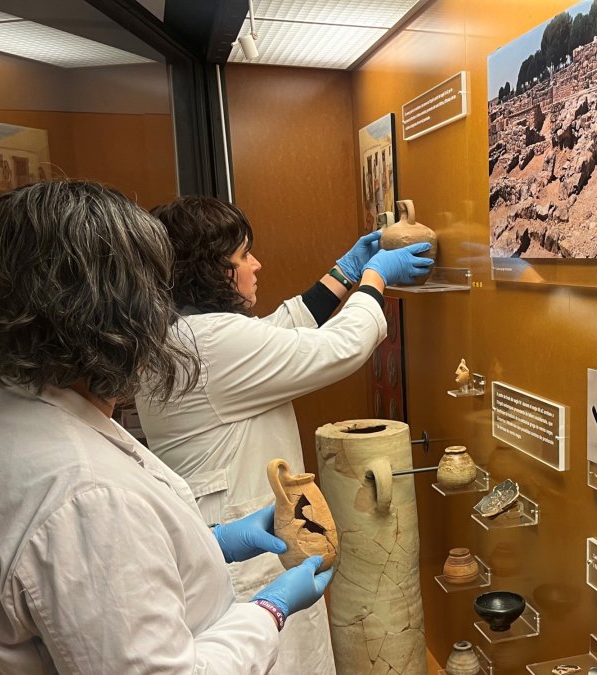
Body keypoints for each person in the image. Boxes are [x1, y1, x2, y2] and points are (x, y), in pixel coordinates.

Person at [0, 180, 334, 673]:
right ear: (119, 316)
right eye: (156, 295)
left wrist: (213, 542)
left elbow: (93, 580)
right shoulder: (89, 499)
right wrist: (269, 611)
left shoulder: (5, 410)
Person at [136, 196, 431, 674]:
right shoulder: (209, 344)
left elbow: (279, 334)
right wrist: (375, 277)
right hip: (241, 553)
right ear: (213, 271)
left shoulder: (182, 334)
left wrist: (344, 272)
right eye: (243, 255)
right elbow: (337, 347)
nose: (256, 265)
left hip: (224, 533)